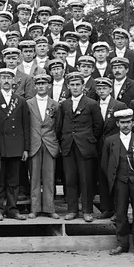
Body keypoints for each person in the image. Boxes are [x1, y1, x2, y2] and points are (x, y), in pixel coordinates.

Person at [101, 107, 134, 257]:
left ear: (133, 123)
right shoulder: (110, 141)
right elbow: (105, 163)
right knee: (121, 214)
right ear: (117, 124)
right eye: (122, 122)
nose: (125, 125)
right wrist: (114, 178)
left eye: (128, 122)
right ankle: (122, 244)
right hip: (120, 182)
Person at [57, 71, 104, 222]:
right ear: (68, 87)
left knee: (86, 180)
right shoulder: (64, 105)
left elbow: (98, 126)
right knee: (70, 179)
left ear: (83, 86)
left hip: (85, 147)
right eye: (72, 85)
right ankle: (72, 210)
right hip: (68, 146)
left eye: (78, 85)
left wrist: (88, 139)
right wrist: (63, 141)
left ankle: (87, 211)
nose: (75, 87)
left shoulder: (91, 104)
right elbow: (59, 126)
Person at [0, 67, 29, 221]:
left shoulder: (21, 101)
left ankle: (12, 209)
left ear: (14, 81)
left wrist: (25, 148)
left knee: (13, 181)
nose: (6, 81)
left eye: (9, 78)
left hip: (16, 146)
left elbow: (26, 125)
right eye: (3, 78)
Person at [26, 72, 60, 218]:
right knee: (34, 177)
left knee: (49, 177)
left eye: (44, 84)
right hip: (34, 143)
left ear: (49, 85)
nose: (41, 86)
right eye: (38, 84)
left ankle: (49, 208)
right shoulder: (28, 103)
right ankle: (34, 208)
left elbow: (58, 126)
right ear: (35, 86)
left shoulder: (55, 104)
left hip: (50, 143)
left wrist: (55, 142)